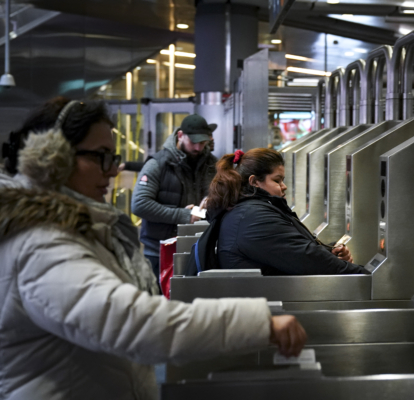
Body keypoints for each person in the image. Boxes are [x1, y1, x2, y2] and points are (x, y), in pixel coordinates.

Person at [0, 98, 306, 400]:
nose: (113, 170)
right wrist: (256, 323)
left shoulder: (77, 230)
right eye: (101, 156)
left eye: (112, 157)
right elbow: (131, 322)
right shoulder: (42, 244)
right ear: (53, 160)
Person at [205, 148, 370, 275]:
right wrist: (364, 275)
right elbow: (307, 258)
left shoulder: (249, 210)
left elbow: (293, 250)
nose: (284, 187)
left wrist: (329, 252)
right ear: (254, 182)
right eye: (277, 180)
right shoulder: (254, 218)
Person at [131, 114, 217, 285]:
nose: (198, 147)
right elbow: (140, 205)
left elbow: (221, 194)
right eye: (193, 142)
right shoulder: (158, 164)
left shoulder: (211, 164)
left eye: (203, 143)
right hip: (159, 252)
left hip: (197, 250)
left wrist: (213, 199)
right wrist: (185, 216)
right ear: (180, 135)